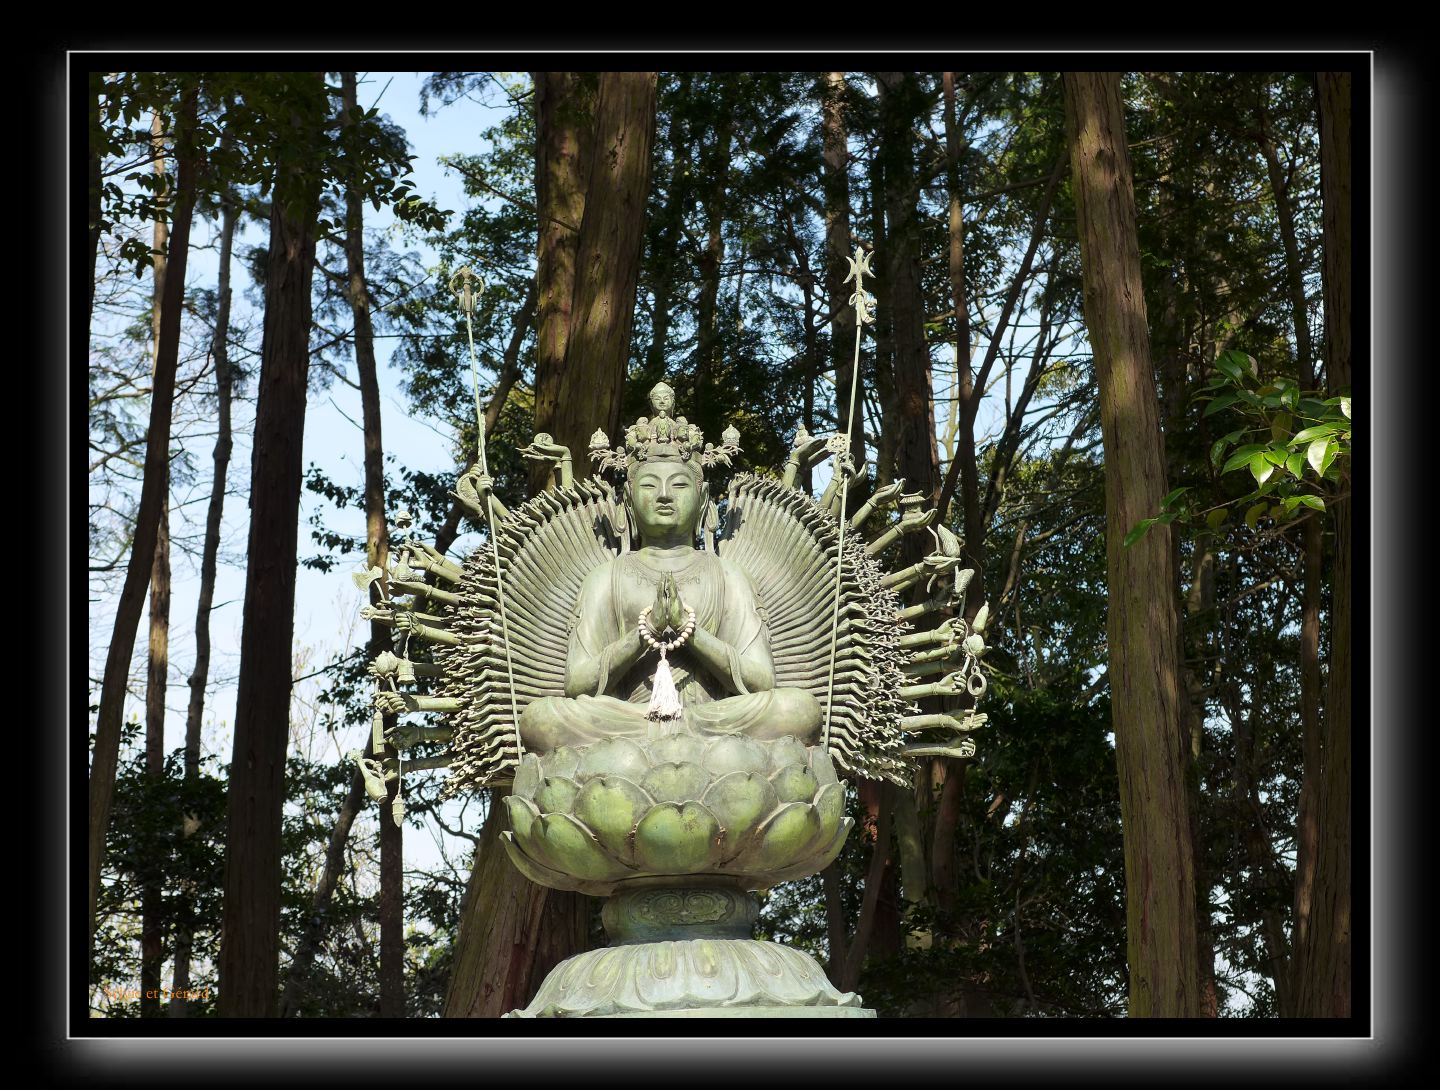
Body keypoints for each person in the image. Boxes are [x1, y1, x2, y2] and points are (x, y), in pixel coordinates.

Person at [518, 388, 821, 753]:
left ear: (703, 499)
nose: (664, 495)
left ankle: (676, 742)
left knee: (797, 709)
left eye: (679, 484)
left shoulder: (728, 575)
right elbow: (576, 684)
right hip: (627, 720)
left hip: (713, 718)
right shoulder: (605, 577)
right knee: (541, 719)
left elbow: (762, 680)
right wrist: (642, 634)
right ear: (628, 501)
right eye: (649, 485)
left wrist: (690, 634)